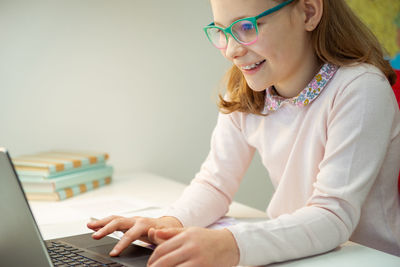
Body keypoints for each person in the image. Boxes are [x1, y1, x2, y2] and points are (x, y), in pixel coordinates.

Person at [87, 0, 400, 266]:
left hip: (366, 257)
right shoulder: (246, 89)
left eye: (246, 27)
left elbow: (333, 217)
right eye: (221, 32)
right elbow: (214, 184)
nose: (231, 51)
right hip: (298, 252)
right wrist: (169, 224)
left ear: (308, 11)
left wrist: (230, 244)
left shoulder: (360, 89)